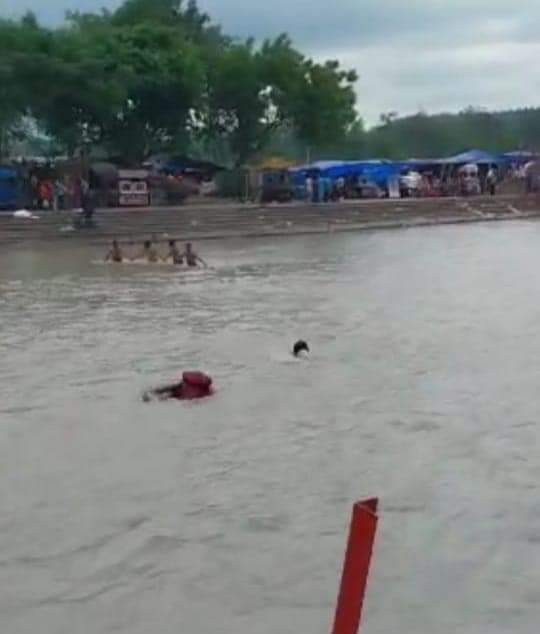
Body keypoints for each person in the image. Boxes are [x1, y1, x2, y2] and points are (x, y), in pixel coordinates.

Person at [143, 371, 213, 402]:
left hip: (182, 388)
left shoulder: (207, 390)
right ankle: (151, 397)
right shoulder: (208, 391)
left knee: (170, 393)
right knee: (170, 393)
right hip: (183, 389)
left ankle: (151, 396)